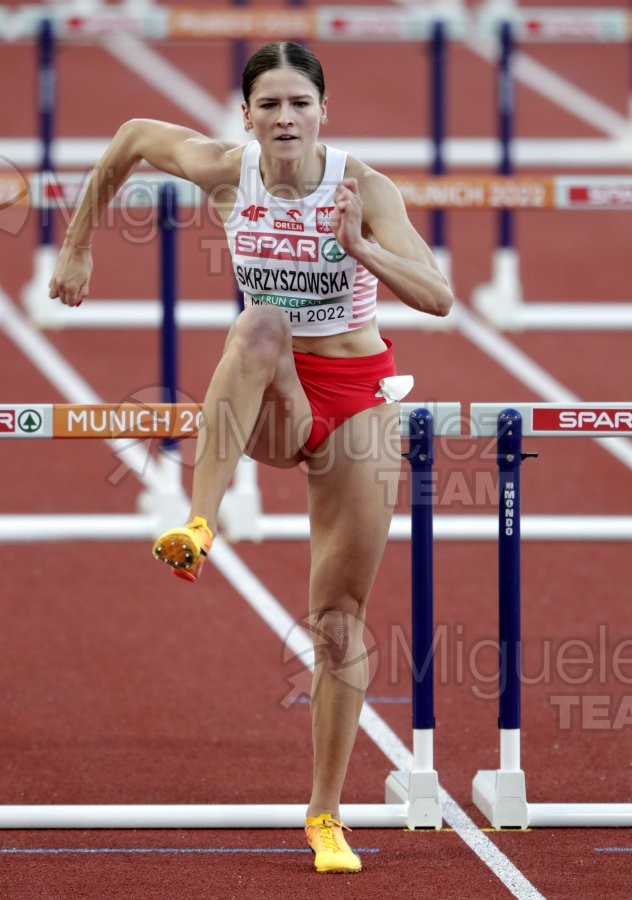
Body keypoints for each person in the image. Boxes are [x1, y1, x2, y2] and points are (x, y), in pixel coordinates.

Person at [49, 41, 453, 874]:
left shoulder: (364, 186)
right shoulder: (226, 171)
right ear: (246, 117)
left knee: (338, 614)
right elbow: (128, 135)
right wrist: (77, 245)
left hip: (354, 398)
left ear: (322, 112)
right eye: (267, 105)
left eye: (299, 103)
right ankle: (200, 521)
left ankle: (326, 815)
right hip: (271, 392)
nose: (284, 119)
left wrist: (361, 246)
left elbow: (439, 297)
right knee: (261, 323)